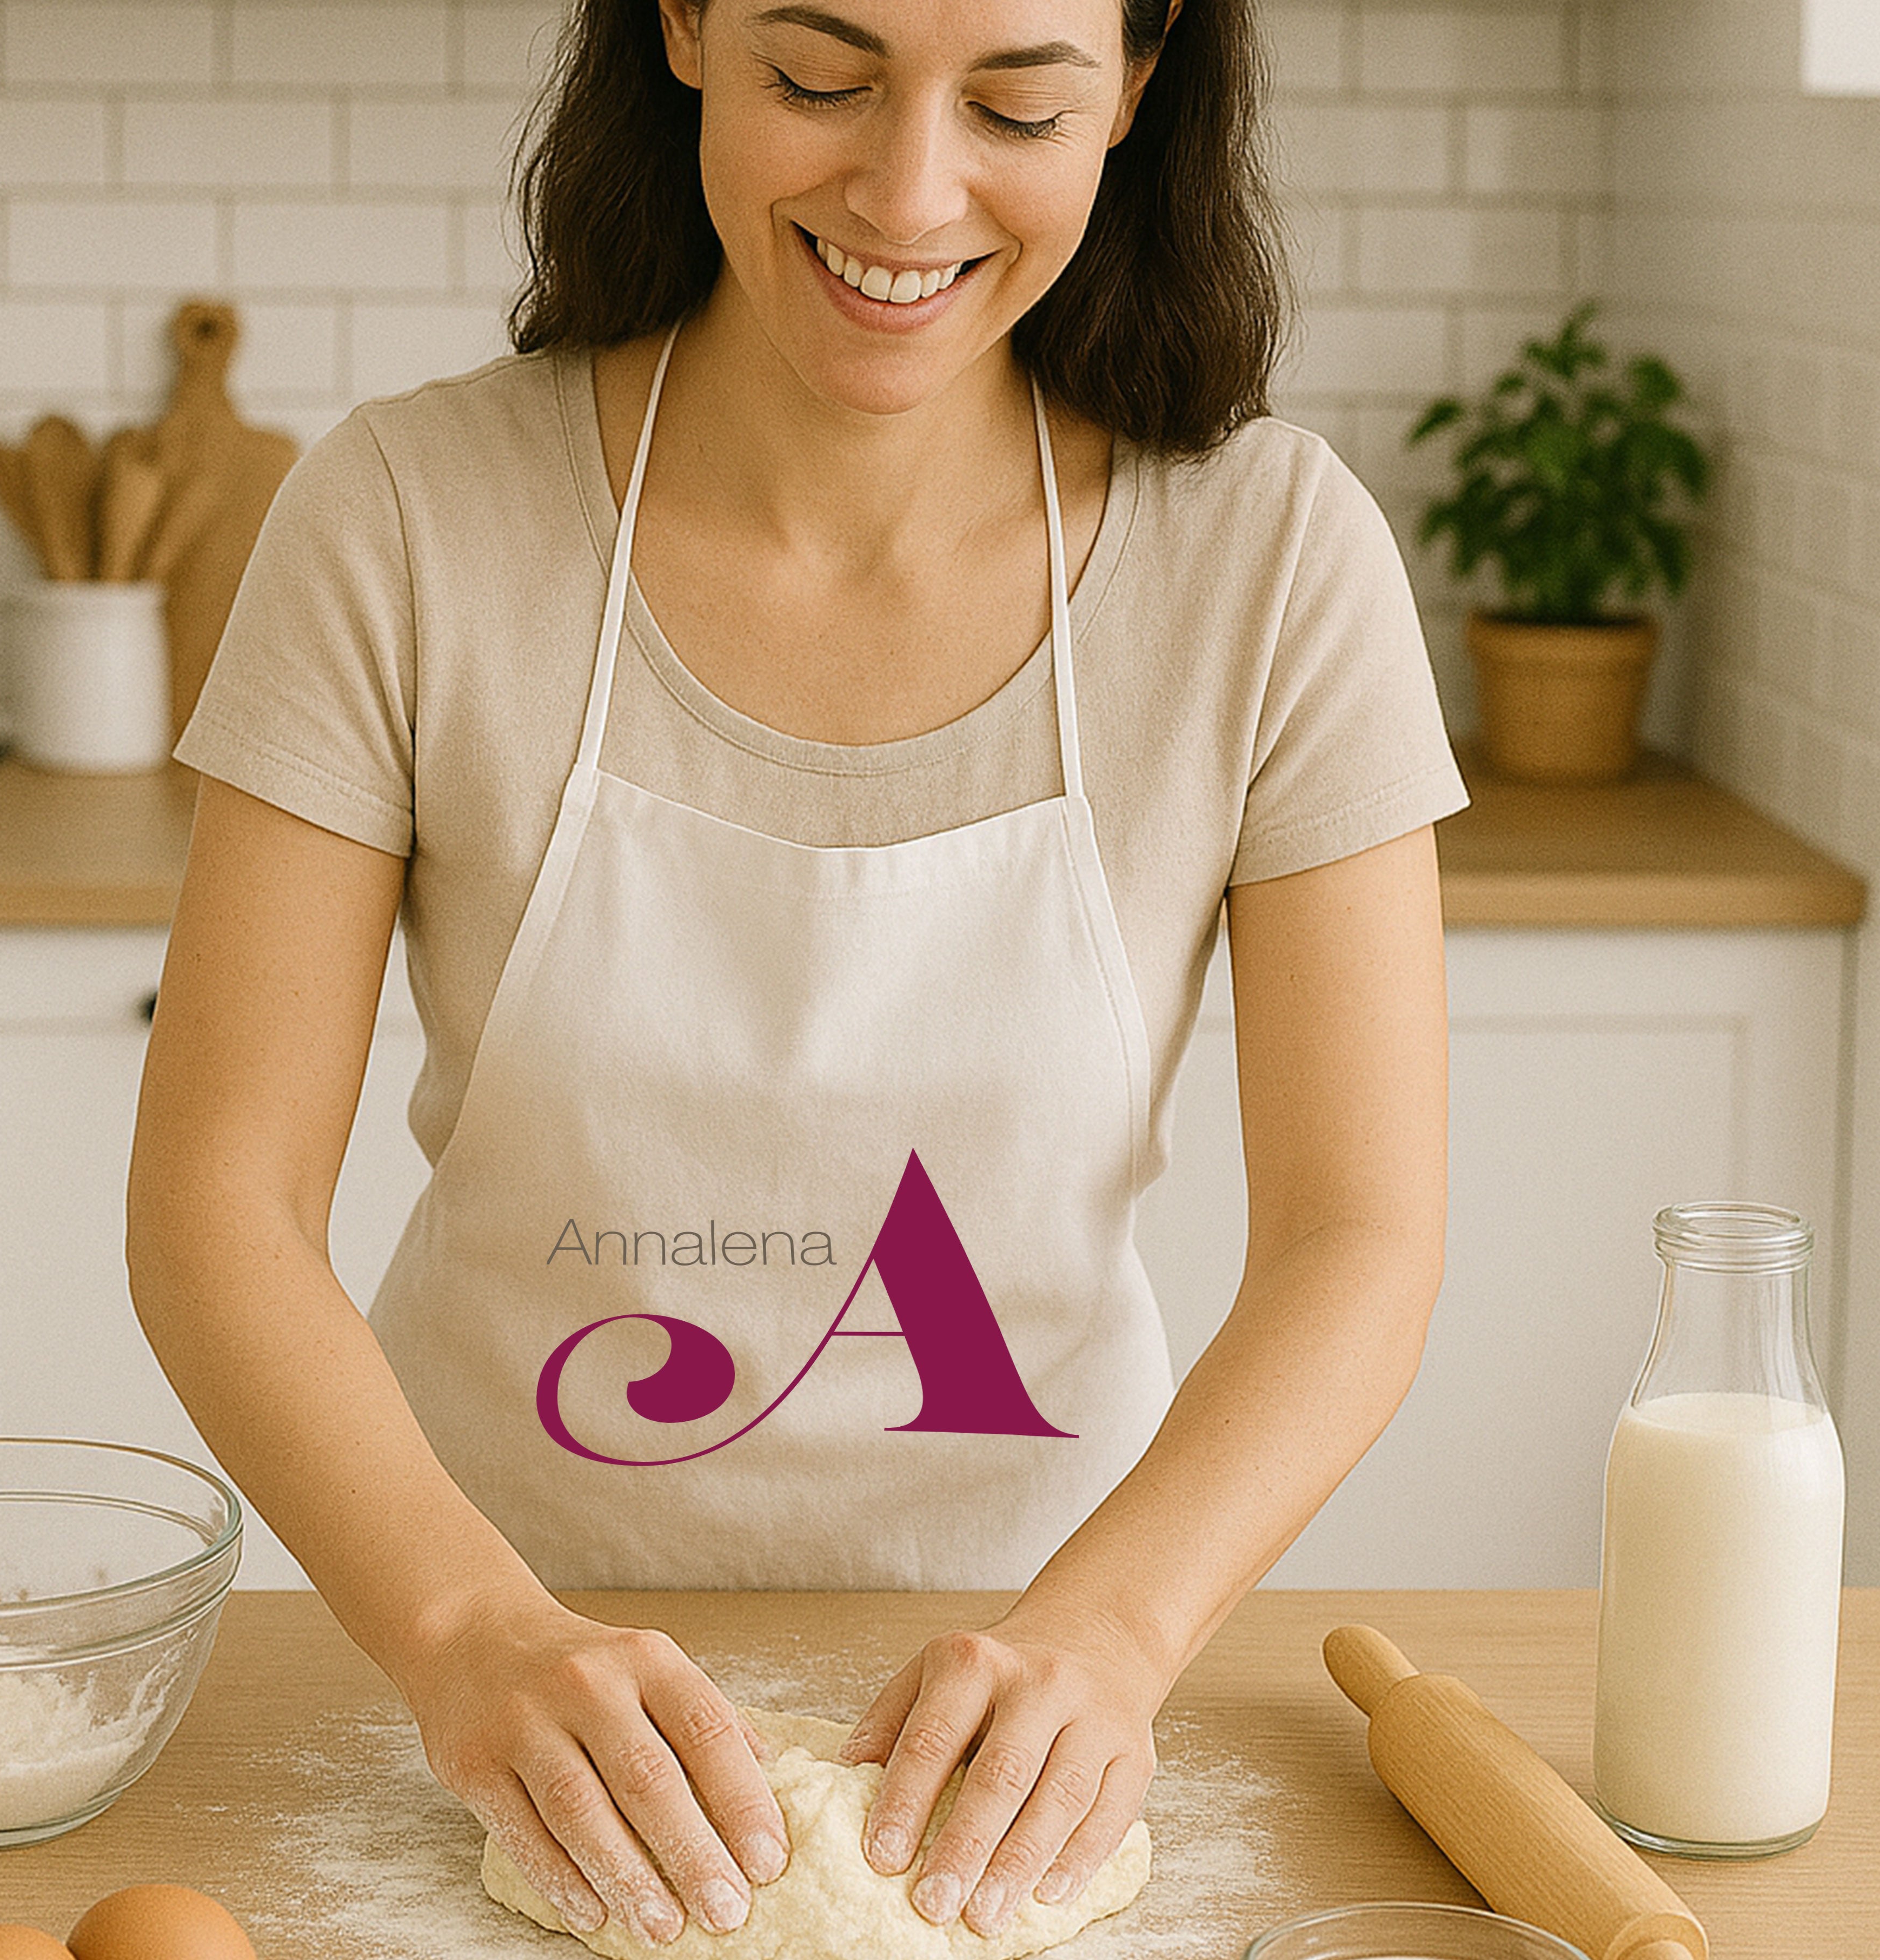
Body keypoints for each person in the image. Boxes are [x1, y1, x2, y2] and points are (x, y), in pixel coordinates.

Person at [126, 0, 1466, 1948]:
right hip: (488, 1669)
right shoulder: (406, 516)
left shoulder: (1271, 561)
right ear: (681, 23)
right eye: (818, 82)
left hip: (1043, 1673)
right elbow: (215, 1207)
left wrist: (1111, 1638)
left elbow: (1362, 1238)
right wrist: (467, 1628)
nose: (908, 196)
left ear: (1140, 80)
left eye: (1017, 107)